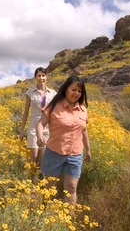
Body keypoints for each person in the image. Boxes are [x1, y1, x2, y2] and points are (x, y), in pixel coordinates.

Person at [36, 76, 91, 207]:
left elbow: (83, 130)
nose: (76, 93)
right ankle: (44, 215)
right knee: (50, 188)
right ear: (66, 89)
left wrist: (88, 149)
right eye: (73, 90)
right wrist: (39, 136)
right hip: (54, 152)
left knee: (71, 188)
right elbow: (40, 124)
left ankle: (69, 221)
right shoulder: (54, 106)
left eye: (79, 91)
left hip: (75, 154)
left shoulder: (83, 110)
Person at [19, 67, 57, 164]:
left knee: (44, 157)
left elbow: (56, 111)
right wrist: (22, 130)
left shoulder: (52, 93)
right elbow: (26, 112)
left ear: (46, 77)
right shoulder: (30, 93)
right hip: (33, 126)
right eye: (39, 76)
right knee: (34, 157)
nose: (41, 78)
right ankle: (33, 178)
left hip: (47, 127)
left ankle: (43, 178)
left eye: (43, 75)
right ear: (35, 78)